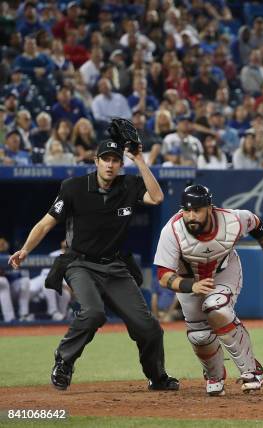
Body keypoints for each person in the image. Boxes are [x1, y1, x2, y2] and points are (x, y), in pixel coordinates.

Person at [8, 119, 178, 392]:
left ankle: (157, 377)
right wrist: (26, 249)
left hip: (115, 266)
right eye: (105, 159)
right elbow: (46, 223)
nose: (110, 164)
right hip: (80, 264)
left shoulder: (129, 184)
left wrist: (139, 159)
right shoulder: (74, 187)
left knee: (149, 328)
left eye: (115, 159)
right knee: (93, 313)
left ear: (121, 164)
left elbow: (157, 198)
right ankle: (64, 361)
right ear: (96, 161)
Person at [153, 185, 263, 396]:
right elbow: (163, 276)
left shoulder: (233, 220)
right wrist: (192, 286)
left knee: (217, 308)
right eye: (186, 210)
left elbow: (257, 225)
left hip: (224, 272)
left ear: (210, 208)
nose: (190, 215)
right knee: (199, 336)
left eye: (196, 210)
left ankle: (250, 370)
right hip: (189, 281)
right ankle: (215, 375)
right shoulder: (172, 230)